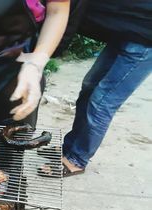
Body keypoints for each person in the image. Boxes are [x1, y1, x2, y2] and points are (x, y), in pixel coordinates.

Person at [62, 1, 152, 176]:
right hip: (125, 33)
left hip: (145, 42)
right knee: (89, 86)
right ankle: (69, 147)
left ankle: (77, 159)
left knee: (102, 101)